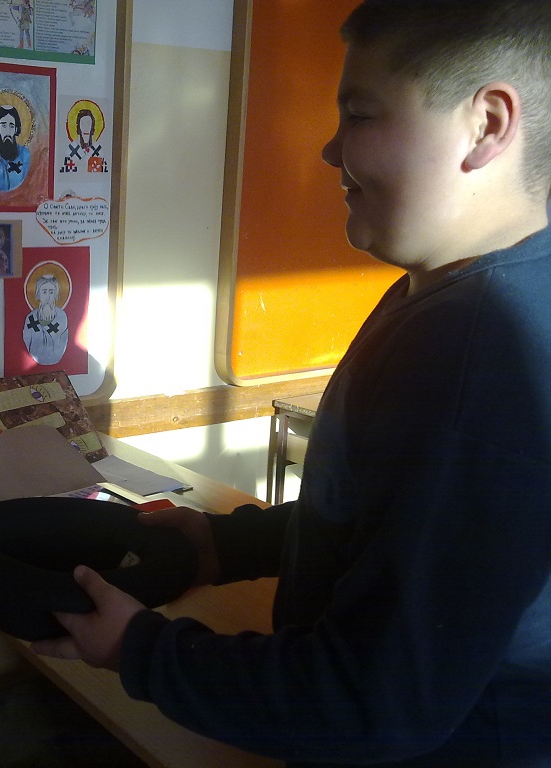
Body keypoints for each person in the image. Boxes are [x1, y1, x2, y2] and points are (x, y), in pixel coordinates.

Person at [33, 1, 551, 765]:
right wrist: (225, 546)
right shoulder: (448, 294)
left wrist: (140, 651)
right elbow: (386, 518)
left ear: (487, 125)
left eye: (361, 115)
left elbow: (375, 703)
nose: (331, 149)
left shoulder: (477, 350)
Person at [0, 105, 31, 192]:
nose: (8, 132)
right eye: (4, 126)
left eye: (11, 126)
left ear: (16, 129)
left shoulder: (25, 154)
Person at [23, 273, 69, 365]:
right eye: (44, 292)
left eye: (51, 292)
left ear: (55, 295)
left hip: (56, 359)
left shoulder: (61, 316)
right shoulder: (31, 317)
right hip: (36, 360)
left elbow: (62, 340)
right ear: (38, 295)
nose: (48, 297)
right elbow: (27, 339)